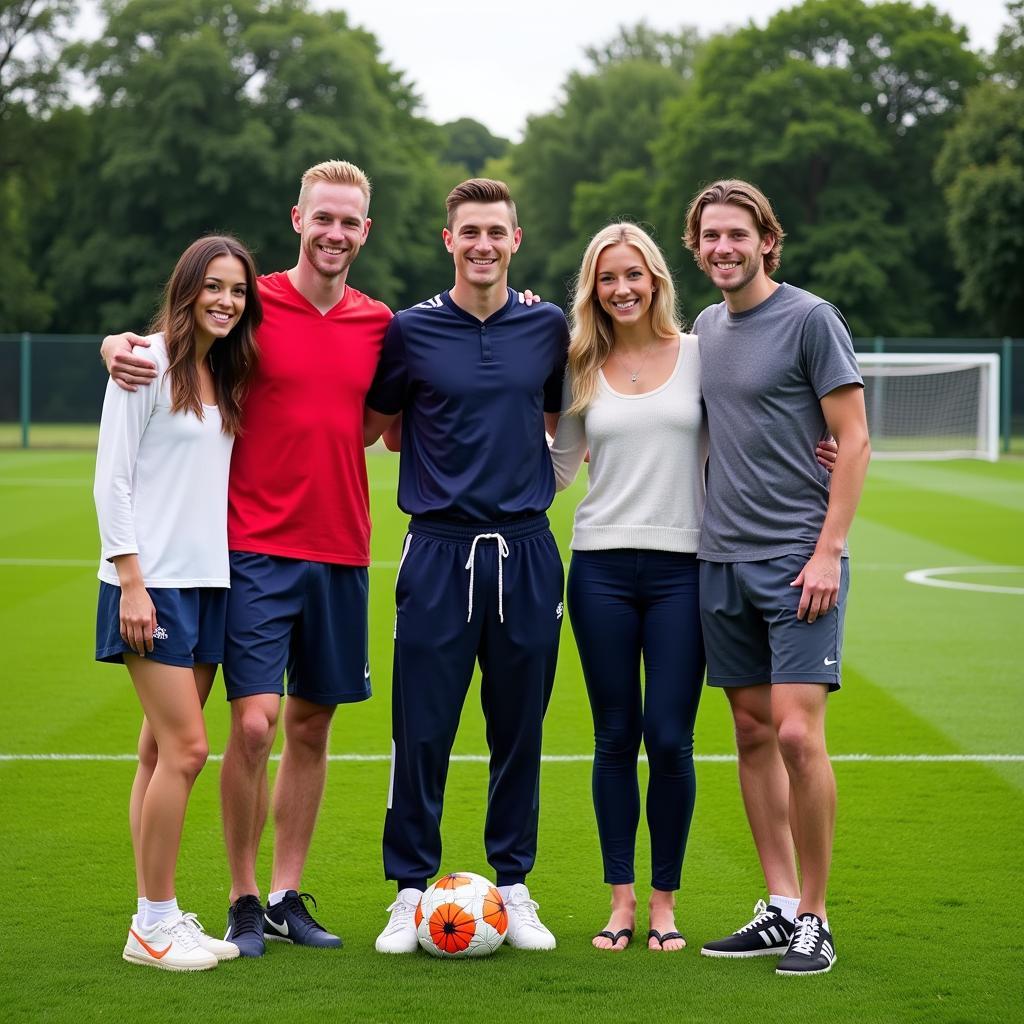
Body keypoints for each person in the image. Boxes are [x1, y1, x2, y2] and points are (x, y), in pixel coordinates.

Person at [100, 160, 393, 957]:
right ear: (297, 218)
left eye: (350, 221)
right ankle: (240, 896)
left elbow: (382, 424)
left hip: (343, 548)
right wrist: (116, 345)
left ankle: (289, 895)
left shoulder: (380, 323)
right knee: (254, 725)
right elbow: (181, 333)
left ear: (365, 231)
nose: (335, 232)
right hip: (251, 551)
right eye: (322, 217)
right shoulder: (253, 301)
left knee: (311, 724)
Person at [364, 178, 568, 954]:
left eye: (497, 232)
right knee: (420, 731)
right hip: (438, 552)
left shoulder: (547, 326)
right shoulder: (410, 330)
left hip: (527, 551)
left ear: (516, 240)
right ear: (448, 241)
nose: (483, 244)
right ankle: (409, 889)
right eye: (469, 232)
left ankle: (512, 884)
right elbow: (383, 429)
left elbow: (551, 418)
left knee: (519, 728)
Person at [683, 179, 870, 975]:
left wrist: (829, 549)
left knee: (797, 733)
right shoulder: (704, 327)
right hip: (721, 560)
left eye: (737, 234)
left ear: (767, 239)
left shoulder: (810, 318)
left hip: (799, 560)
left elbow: (854, 439)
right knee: (752, 733)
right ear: (695, 248)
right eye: (709, 237)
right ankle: (779, 903)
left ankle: (818, 917)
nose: (723, 248)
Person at [95, 234, 262, 971]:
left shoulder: (217, 372)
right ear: (188, 287)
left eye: (238, 290)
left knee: (157, 750)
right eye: (215, 287)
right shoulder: (145, 363)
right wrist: (131, 580)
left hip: (206, 583)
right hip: (149, 586)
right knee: (189, 749)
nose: (227, 301)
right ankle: (153, 927)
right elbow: (112, 481)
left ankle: (154, 913)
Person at [548, 224, 705, 953]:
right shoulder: (580, 364)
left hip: (684, 568)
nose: (621, 289)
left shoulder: (701, 356)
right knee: (617, 736)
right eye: (607, 278)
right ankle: (620, 902)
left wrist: (817, 447)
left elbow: (746, 435)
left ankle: (664, 903)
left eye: (633, 275)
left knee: (671, 740)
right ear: (593, 287)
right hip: (602, 569)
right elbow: (556, 471)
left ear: (656, 280)